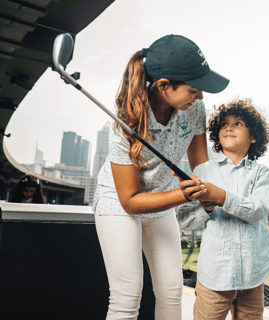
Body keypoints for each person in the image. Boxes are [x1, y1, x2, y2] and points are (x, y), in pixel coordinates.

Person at [92, 34, 229, 320]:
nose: (201, 96)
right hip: (119, 204)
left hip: (164, 200)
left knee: (171, 291)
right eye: (194, 90)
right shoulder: (124, 125)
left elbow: (201, 164)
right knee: (127, 297)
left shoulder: (194, 111)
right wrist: (183, 195)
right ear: (164, 86)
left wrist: (216, 195)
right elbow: (129, 201)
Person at [176, 98, 269, 320]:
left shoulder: (262, 173)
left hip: (252, 276)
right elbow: (184, 221)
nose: (229, 127)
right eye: (224, 124)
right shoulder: (203, 171)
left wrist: (220, 196)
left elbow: (257, 211)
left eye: (238, 123)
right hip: (215, 276)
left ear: (254, 136)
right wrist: (205, 208)